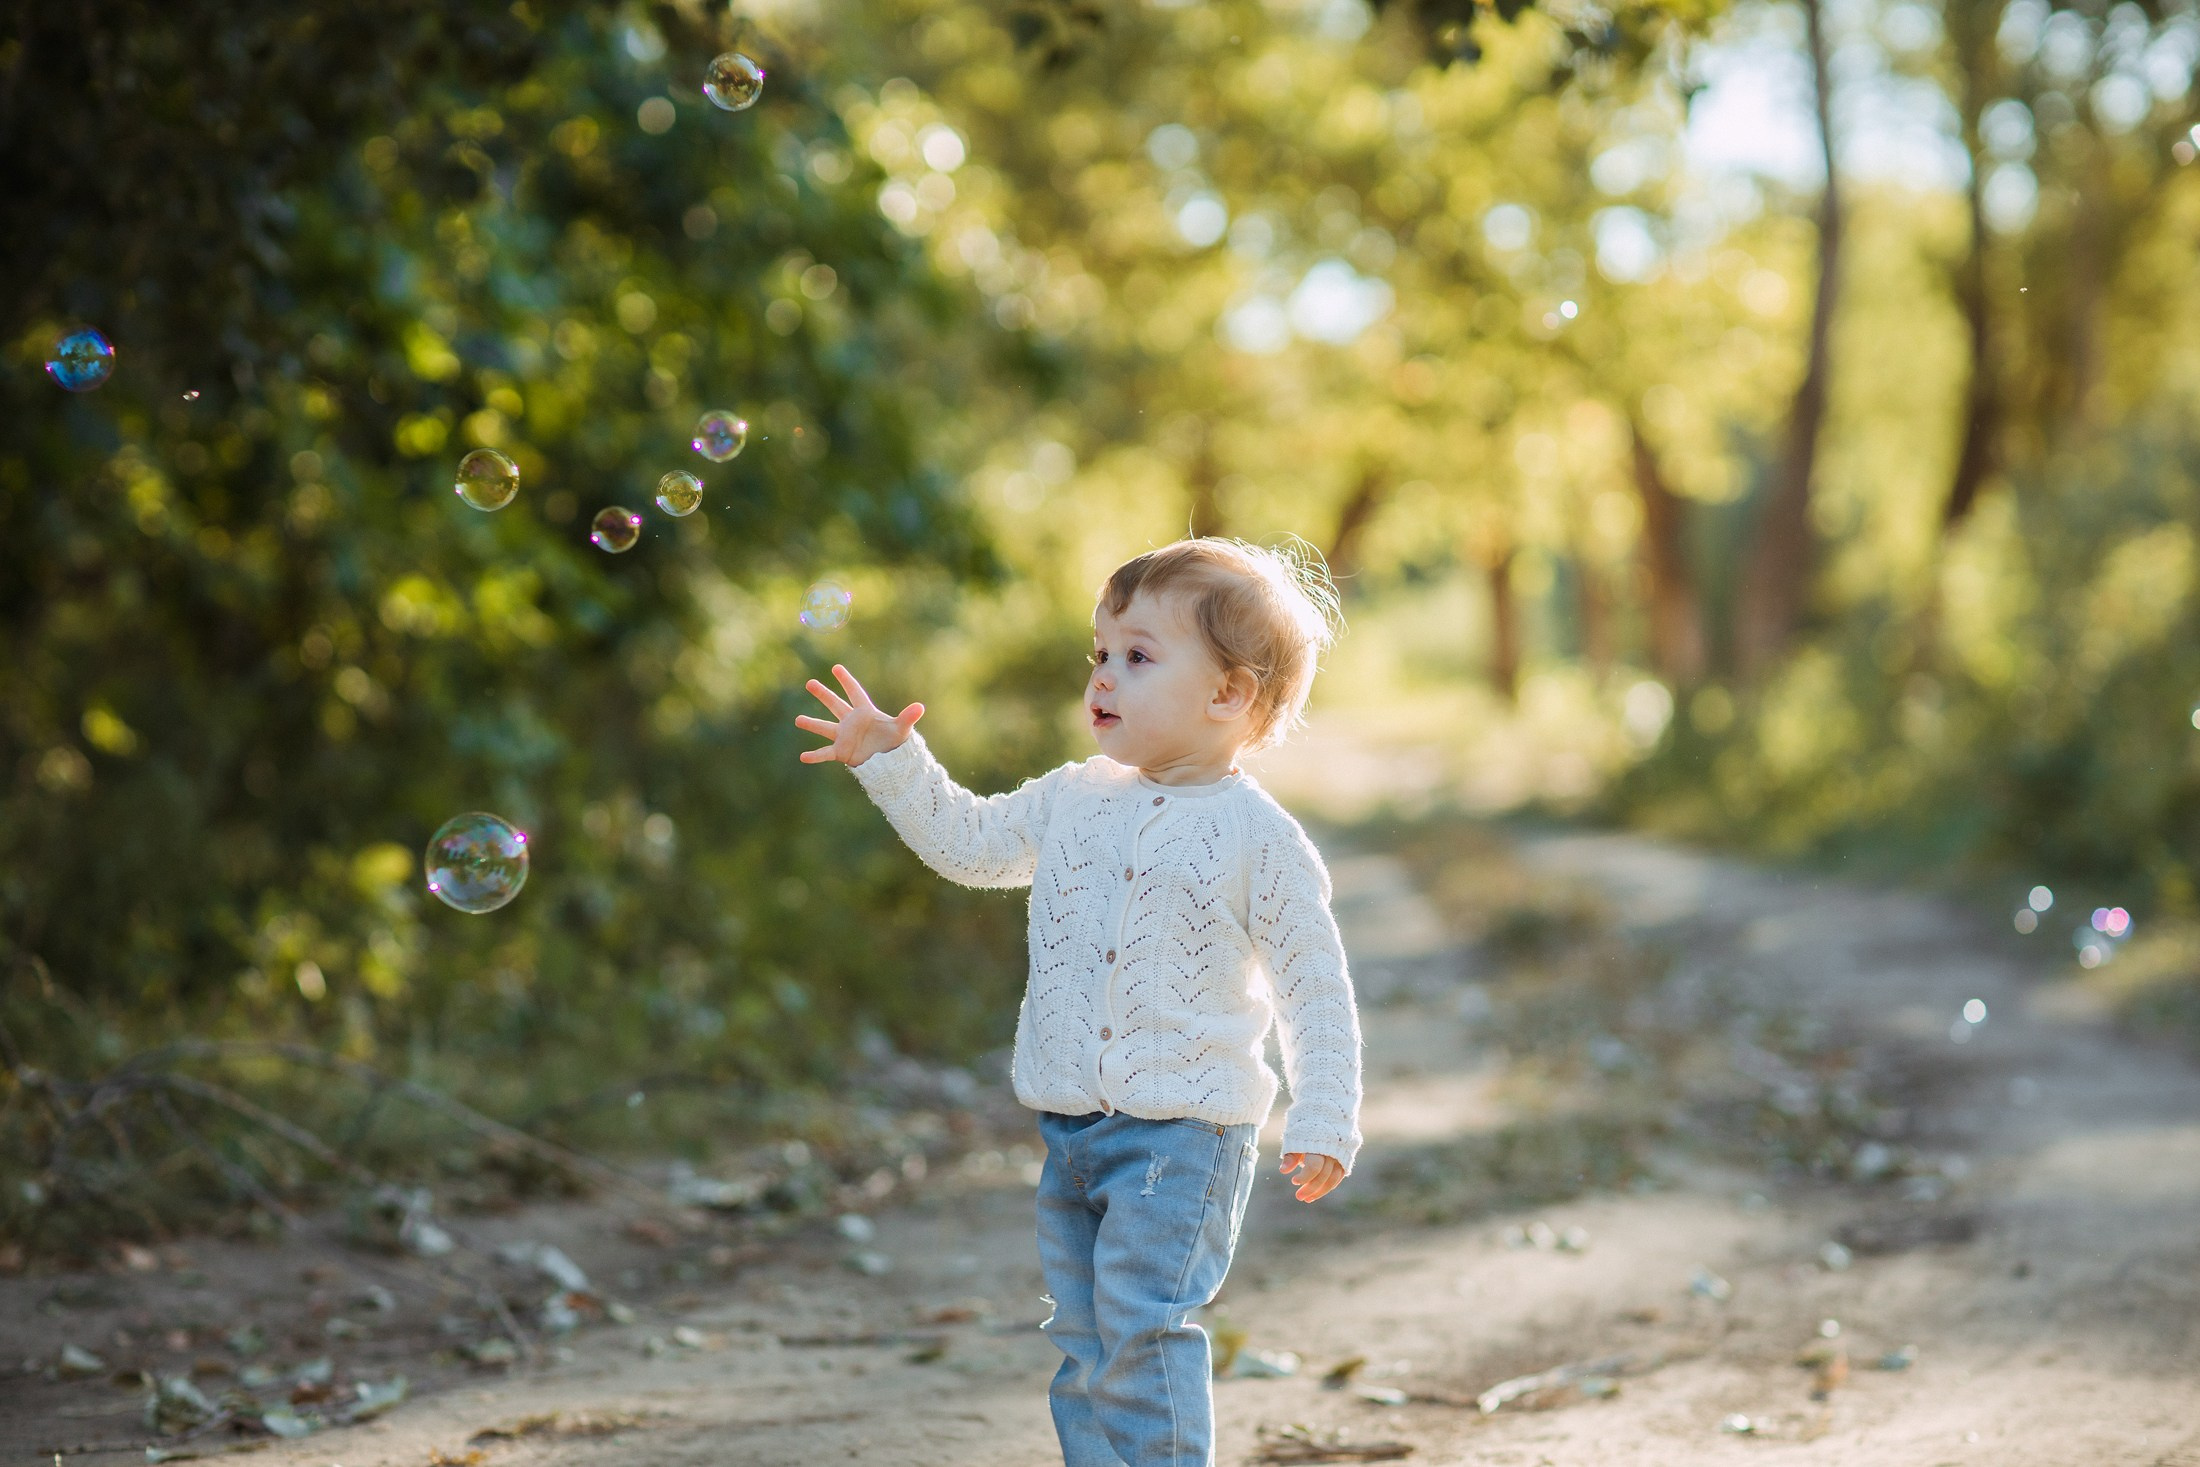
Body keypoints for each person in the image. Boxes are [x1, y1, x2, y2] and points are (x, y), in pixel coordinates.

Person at [796, 536, 1362, 1467]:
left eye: (1139, 657)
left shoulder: (1259, 839)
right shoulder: (1073, 797)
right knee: (1084, 1339)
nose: (1103, 677)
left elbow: (1315, 987)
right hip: (1071, 1127)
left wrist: (1327, 1111)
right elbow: (972, 845)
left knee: (1143, 1326)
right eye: (1100, 653)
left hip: (1182, 1135)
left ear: (1228, 695)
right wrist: (892, 761)